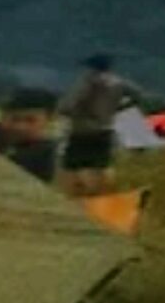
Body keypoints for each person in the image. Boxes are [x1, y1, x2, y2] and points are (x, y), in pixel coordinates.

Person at [57, 54, 141, 196]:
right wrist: (118, 108)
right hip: (105, 129)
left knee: (72, 166)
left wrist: (68, 111)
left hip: (82, 130)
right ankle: (104, 195)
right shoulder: (119, 83)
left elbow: (68, 105)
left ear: (92, 68)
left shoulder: (88, 82)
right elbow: (138, 96)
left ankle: (75, 196)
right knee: (101, 165)